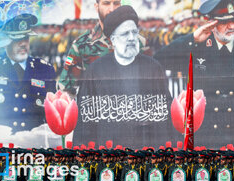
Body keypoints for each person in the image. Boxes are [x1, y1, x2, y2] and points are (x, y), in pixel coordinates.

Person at [154, 0, 234, 148]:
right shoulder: (196, 47)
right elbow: (159, 60)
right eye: (225, 22)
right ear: (211, 23)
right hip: (208, 141)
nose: (232, 26)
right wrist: (191, 39)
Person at [72, 5, 171, 149]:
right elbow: (84, 122)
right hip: (108, 154)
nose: (131, 38)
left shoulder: (153, 68)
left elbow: (165, 115)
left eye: (134, 32)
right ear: (113, 39)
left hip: (146, 151)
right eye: (125, 34)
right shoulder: (96, 71)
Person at [0, 14, 56, 132]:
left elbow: (53, 110)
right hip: (0, 143)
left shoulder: (44, 69)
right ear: (6, 42)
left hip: (33, 144)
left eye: (26, 38)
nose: (23, 43)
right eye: (17, 39)